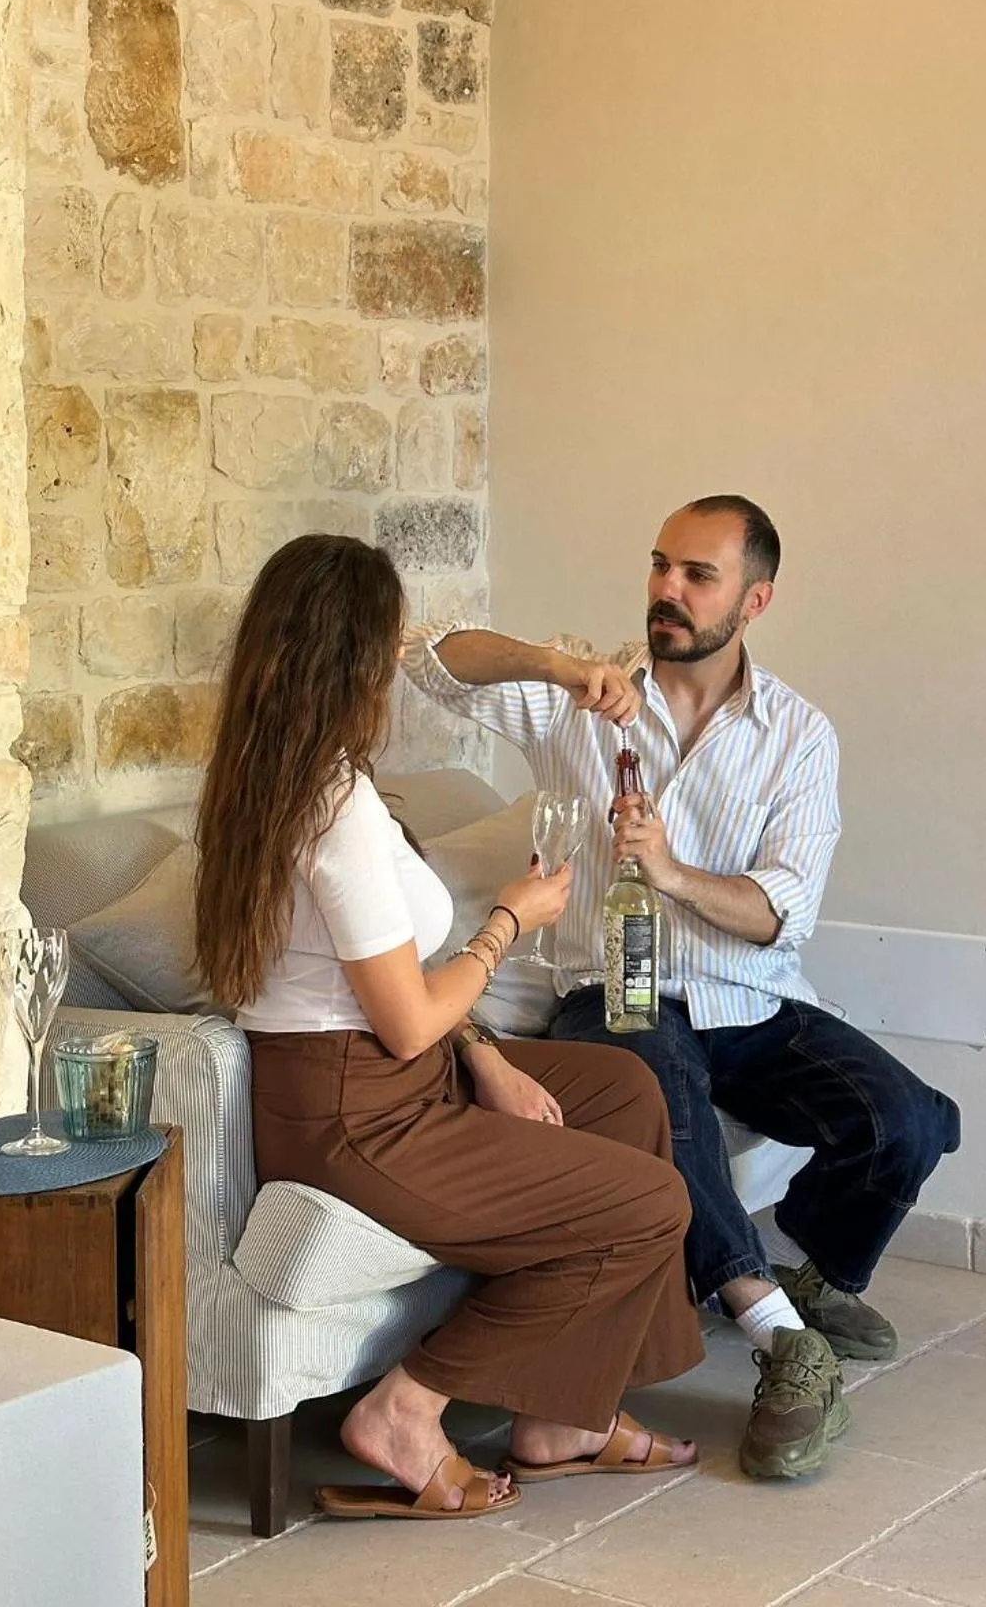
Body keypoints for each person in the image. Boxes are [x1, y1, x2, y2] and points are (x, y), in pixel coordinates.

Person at [403, 494, 962, 1481]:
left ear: (755, 600)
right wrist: (559, 664)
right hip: (612, 994)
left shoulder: (798, 735)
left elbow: (779, 910)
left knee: (908, 1121)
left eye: (698, 574)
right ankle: (785, 1345)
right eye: (662, 563)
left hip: (750, 997)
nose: (667, 587)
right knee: (664, 1088)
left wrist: (670, 873)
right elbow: (431, 656)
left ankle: (817, 1277)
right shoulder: (585, 689)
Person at [194, 533, 705, 1522]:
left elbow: (399, 984)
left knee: (625, 1090)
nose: (394, 666)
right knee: (651, 1202)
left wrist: (484, 1056)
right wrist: (510, 919)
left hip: (396, 1075)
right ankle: (406, 1406)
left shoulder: (283, 777)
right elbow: (404, 1012)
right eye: (384, 647)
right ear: (350, 659)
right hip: (359, 1118)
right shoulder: (329, 810)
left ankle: (566, 1415)